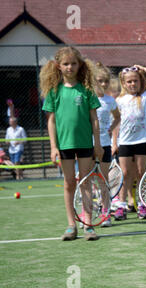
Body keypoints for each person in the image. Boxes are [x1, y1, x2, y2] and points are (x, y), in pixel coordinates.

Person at [40, 46, 103, 241]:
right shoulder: (53, 91)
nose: (70, 67)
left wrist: (98, 144)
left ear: (80, 65)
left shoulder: (86, 90)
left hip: (85, 144)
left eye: (73, 63)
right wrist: (53, 146)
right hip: (64, 146)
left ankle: (88, 225)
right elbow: (51, 120)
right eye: (66, 64)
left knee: (85, 183)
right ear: (58, 66)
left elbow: (94, 119)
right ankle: (71, 225)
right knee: (69, 184)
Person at [113, 65, 146, 220]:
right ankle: (121, 206)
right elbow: (116, 123)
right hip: (125, 142)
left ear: (140, 82)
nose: (132, 84)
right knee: (125, 174)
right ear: (124, 83)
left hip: (142, 141)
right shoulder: (119, 100)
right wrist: (115, 142)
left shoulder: (145, 97)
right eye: (129, 82)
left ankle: (142, 204)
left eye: (135, 81)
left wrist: (142, 69)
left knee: (141, 173)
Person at [90, 61, 121, 227]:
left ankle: (105, 213)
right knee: (87, 180)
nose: (103, 84)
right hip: (87, 144)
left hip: (105, 145)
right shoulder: (88, 98)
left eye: (106, 81)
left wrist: (110, 129)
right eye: (99, 81)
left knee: (103, 180)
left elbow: (117, 117)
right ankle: (87, 213)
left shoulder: (110, 100)